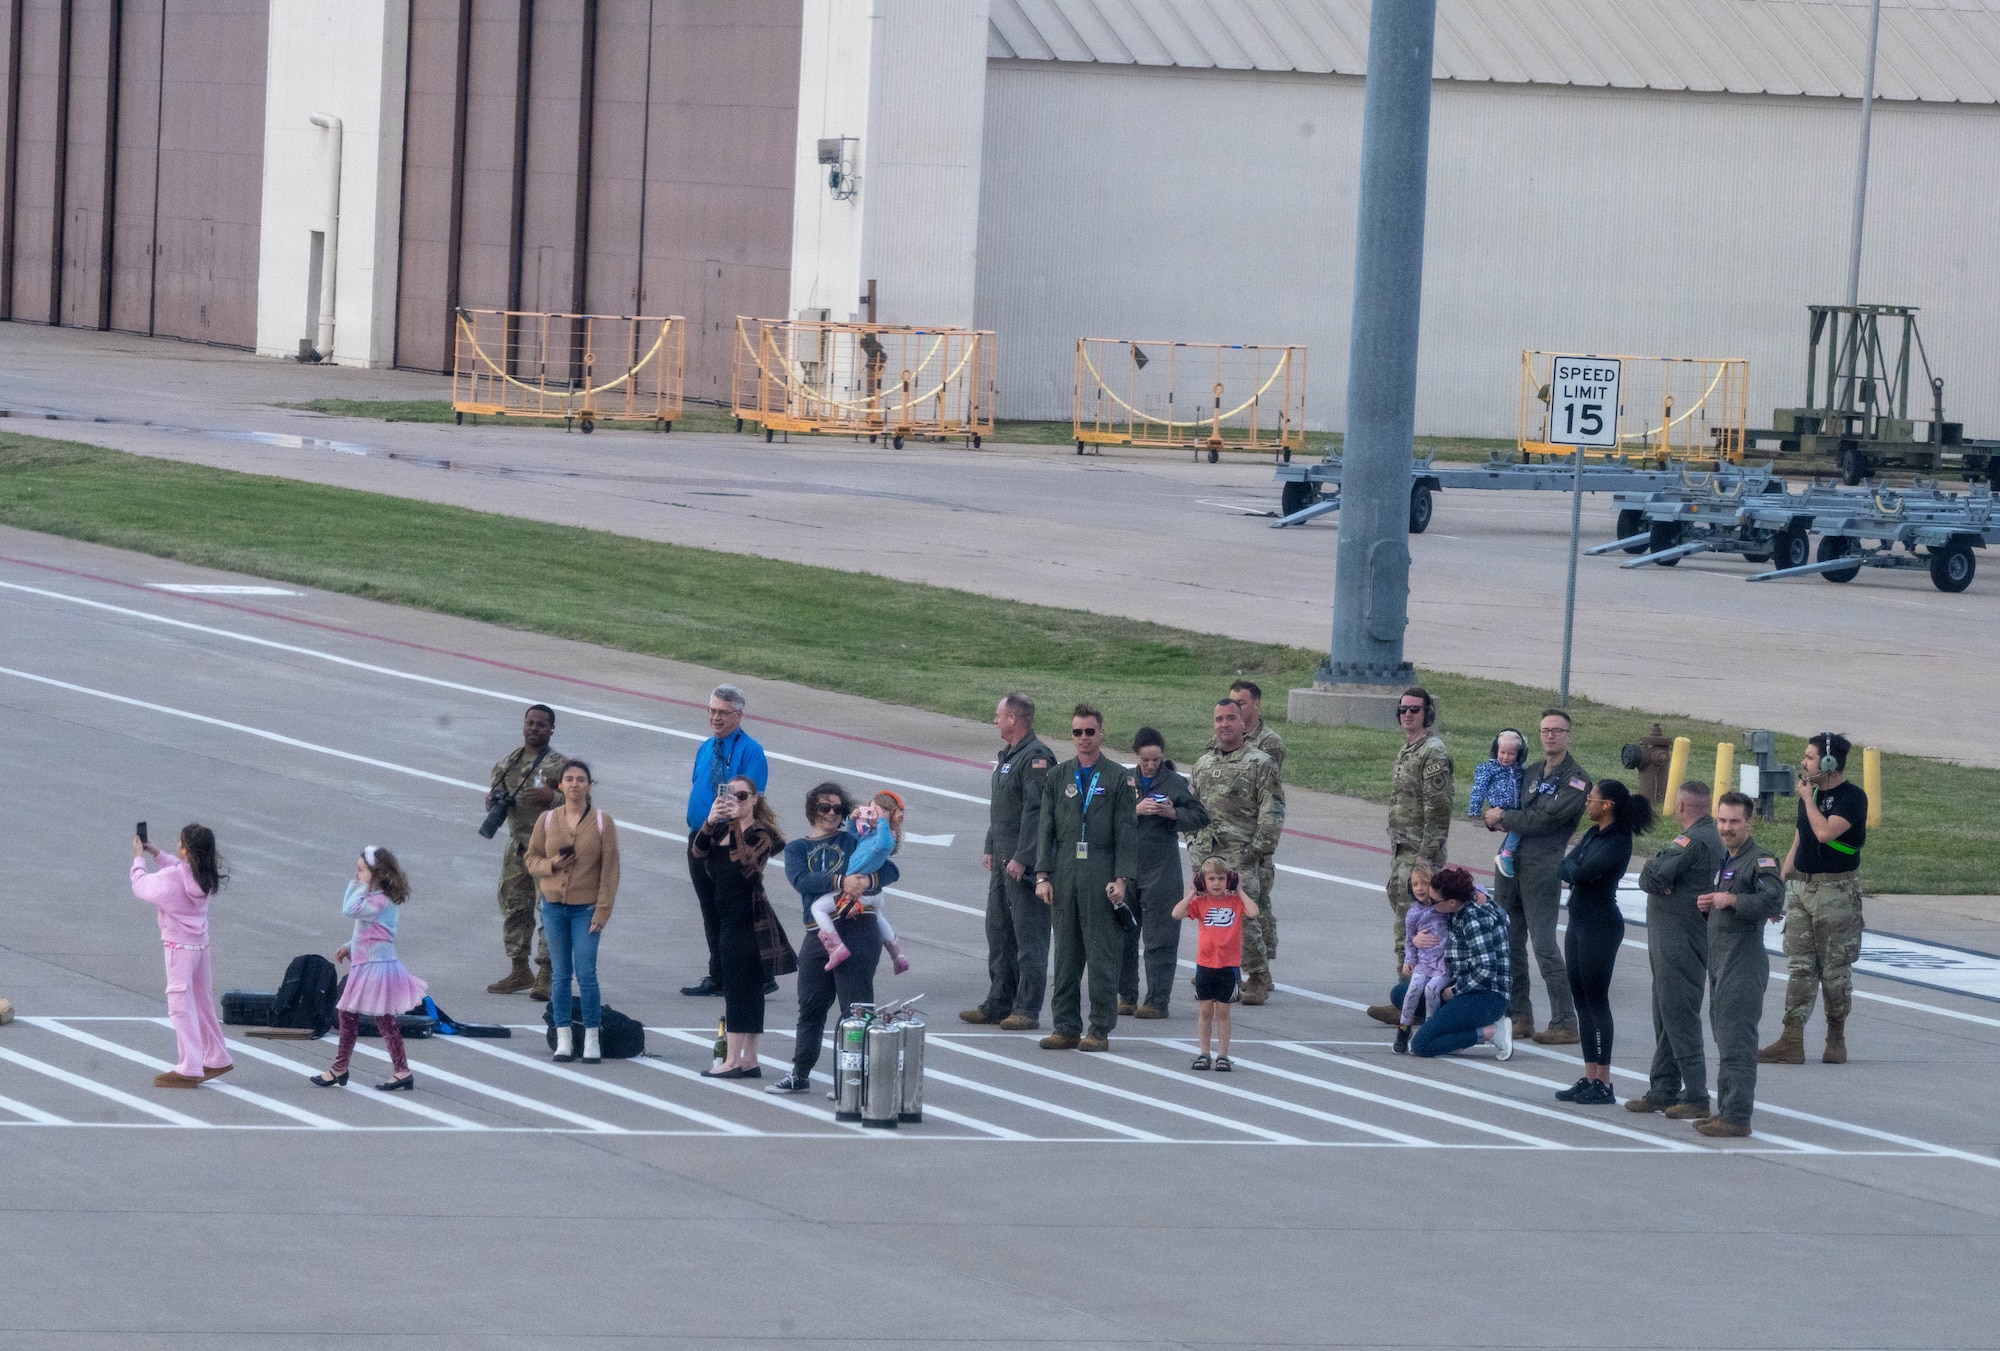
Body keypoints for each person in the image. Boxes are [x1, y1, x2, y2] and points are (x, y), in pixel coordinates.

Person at [769, 782, 900, 1095]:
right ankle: (799, 1074)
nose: (831, 813)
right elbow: (802, 881)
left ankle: (855, 1080)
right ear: (811, 809)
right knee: (810, 1007)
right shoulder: (798, 848)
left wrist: (868, 879)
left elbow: (891, 869)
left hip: (858, 927)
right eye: (824, 807)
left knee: (855, 1011)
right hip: (819, 933)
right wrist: (842, 881)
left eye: (837, 808)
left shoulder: (853, 838)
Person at [1035, 704, 1139, 1051]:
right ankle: (1064, 1025)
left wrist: (1121, 878)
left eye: (1089, 732)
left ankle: (1099, 1028)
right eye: (1077, 732)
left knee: (1101, 956)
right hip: (1065, 870)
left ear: (1101, 733)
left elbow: (1127, 831)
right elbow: (1045, 829)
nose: (1083, 738)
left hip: (1101, 867)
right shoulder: (1058, 776)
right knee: (1065, 955)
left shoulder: (1117, 778)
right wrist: (1042, 875)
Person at [1762, 733, 1868, 1066]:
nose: (1803, 762)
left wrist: (1809, 800)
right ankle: (1791, 1039)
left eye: (1809, 758)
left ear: (1828, 763)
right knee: (1799, 967)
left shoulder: (1853, 798)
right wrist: (1780, 885)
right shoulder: (1811, 794)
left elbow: (1824, 833)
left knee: (1834, 972)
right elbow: (1801, 839)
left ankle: (1835, 1037)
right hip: (1801, 890)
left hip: (1835, 892)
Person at [1484, 708, 1590, 1045]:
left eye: (1557, 730)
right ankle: (1520, 1015)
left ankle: (1565, 1020)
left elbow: (1547, 820)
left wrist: (1507, 817)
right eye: (1545, 730)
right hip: (1510, 863)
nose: (1550, 736)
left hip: (1542, 867)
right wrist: (1494, 816)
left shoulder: (1577, 780)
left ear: (1568, 735)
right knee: (1508, 942)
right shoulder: (1529, 771)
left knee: (1543, 944)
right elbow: (1510, 805)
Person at [1554, 779, 1654, 1105]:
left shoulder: (1617, 841)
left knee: (1596, 1001)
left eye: (1592, 798)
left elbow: (1579, 872)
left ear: (1607, 805)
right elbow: (1565, 866)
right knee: (1581, 1000)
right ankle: (1589, 1075)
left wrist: (1575, 868)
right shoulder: (1595, 834)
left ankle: (1604, 1082)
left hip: (1601, 925)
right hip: (1579, 920)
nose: (1587, 803)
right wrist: (1574, 867)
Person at [1694, 791, 1788, 1137]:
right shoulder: (1729, 859)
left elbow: (1774, 898)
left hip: (1743, 958)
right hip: (1721, 958)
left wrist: (1732, 899)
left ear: (1749, 822)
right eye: (1722, 820)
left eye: (1734, 821)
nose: (1727, 828)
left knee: (1737, 1038)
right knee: (1723, 1034)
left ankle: (1736, 1116)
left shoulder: (1759, 859)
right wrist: (1711, 905)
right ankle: (1725, 1110)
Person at [1626, 782, 1721, 1119]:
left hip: (1678, 938)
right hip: (1685, 936)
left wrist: (1654, 870)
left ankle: (1695, 1093)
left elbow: (1652, 875)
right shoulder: (1713, 837)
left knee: (1678, 1015)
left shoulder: (1693, 840)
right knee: (1667, 1012)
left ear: (1681, 806)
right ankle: (1663, 1088)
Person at [965, 693, 1056, 1030]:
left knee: (1028, 936)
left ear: (1014, 719)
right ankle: (999, 1000)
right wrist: (991, 845)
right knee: (999, 931)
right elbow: (1001, 808)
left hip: (1024, 865)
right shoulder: (1009, 756)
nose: (995, 720)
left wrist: (1023, 856)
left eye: (999, 715)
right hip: (1003, 859)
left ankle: (1027, 1008)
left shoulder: (1036, 758)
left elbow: (1038, 813)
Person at [1187, 699, 1285, 1004]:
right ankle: (1217, 970)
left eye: (1231, 718)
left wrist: (1257, 850)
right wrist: (1193, 845)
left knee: (1243, 917)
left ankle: (1256, 975)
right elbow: (1191, 808)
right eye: (1219, 719)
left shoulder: (1260, 763)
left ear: (1243, 724)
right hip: (1208, 856)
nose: (1224, 724)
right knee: (1213, 917)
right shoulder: (1203, 764)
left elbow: (1272, 810)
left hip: (1242, 854)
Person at [524, 762, 622, 1064]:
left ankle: (592, 1036)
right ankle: (563, 1036)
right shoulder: (547, 819)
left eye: (581, 780)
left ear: (589, 786)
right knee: (560, 974)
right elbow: (531, 858)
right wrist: (551, 864)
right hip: (554, 907)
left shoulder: (603, 822)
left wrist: (603, 910)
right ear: (560, 786)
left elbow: (610, 870)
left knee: (587, 972)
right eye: (569, 779)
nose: (575, 784)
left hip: (586, 908)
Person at [1368, 688, 1454, 1024]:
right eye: (1402, 709)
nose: (1407, 715)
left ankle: (1410, 1000)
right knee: (1408, 925)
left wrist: (1424, 859)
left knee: (1416, 928)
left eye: (1414, 710)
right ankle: (1410, 997)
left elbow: (1439, 811)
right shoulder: (1410, 749)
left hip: (1419, 855)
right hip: (1404, 850)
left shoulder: (1432, 753)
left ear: (1427, 714)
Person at [312, 846, 428, 1091]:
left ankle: (397, 1070)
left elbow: (349, 910)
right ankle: (343, 1068)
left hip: (376, 967)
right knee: (353, 1015)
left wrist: (358, 886)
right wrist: (349, 946)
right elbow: (369, 933)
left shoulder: (378, 900)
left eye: (361, 870)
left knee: (379, 1018)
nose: (356, 875)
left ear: (377, 874)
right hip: (368, 964)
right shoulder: (378, 900)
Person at [690, 774, 783, 1076]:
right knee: (747, 988)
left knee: (740, 988)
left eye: (742, 796)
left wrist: (732, 825)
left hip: (748, 917)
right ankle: (749, 1061)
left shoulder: (762, 833)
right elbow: (698, 851)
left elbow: (744, 863)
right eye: (731, 795)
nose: (736, 801)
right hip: (726, 914)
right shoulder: (719, 829)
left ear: (755, 799)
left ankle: (734, 1060)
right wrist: (710, 819)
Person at [682, 684, 771, 998]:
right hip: (702, 835)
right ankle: (719, 974)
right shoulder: (706, 747)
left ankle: (754, 973)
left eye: (722, 712)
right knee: (711, 909)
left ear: (738, 715)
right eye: (712, 711)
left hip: (729, 839)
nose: (715, 717)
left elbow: (751, 799)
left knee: (732, 910)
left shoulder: (750, 751)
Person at [130, 824, 232, 1088]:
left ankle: (189, 1066)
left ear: (185, 850)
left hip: (178, 948)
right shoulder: (204, 876)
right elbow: (181, 869)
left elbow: (142, 886)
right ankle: (218, 1055)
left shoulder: (173, 879)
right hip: (200, 946)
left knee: (180, 1006)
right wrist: (158, 854)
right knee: (202, 1002)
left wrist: (138, 859)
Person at [1124, 727, 1209, 1018]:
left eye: (1156, 760)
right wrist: (1135, 809)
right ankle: (1126, 995)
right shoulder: (1123, 781)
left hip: (1161, 868)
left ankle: (1157, 1000)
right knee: (1123, 932)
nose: (1150, 765)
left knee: (1161, 936)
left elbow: (1200, 816)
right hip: (1127, 866)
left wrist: (1173, 814)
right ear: (1136, 756)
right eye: (1145, 760)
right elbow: (1101, 813)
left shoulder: (1174, 783)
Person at [486, 704, 567, 1000]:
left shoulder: (561, 766)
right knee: (514, 907)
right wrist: (492, 802)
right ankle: (519, 968)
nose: (534, 728)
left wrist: (553, 796)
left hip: (549, 850)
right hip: (518, 847)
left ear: (551, 729)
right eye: (530, 723)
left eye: (541, 724)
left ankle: (547, 973)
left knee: (550, 911)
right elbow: (496, 796)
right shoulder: (507, 763)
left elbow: (581, 805)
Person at [1397, 865, 1513, 1060]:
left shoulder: (1474, 919)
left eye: (1433, 901)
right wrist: (1416, 941)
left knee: (1421, 1045)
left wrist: (1455, 990)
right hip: (1463, 982)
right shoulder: (1454, 908)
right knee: (1401, 994)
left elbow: (1487, 968)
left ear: (1451, 902)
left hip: (1485, 994)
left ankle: (1491, 1031)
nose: (1429, 904)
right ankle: (1451, 1027)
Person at [1174, 857, 1257, 1071]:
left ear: (1228, 880)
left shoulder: (1235, 902)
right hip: (1205, 964)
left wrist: (1238, 889)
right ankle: (1204, 1052)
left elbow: (1254, 911)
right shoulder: (1200, 904)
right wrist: (1193, 891)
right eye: (1211, 879)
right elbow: (1176, 914)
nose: (1217, 883)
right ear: (1203, 881)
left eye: (1221, 878)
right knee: (1205, 1011)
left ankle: (1223, 1054)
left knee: (1223, 1012)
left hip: (1228, 966)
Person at [811, 791, 909, 974]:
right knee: (879, 917)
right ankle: (897, 955)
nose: (871, 813)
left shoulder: (887, 837)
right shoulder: (871, 833)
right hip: (873, 894)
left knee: (817, 908)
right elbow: (854, 833)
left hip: (859, 890)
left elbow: (882, 845)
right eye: (870, 809)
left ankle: (835, 948)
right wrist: (852, 818)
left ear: (890, 814)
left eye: (877, 810)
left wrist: (881, 822)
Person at [1395, 863, 1448, 1054]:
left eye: (1424, 884)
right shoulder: (1413, 914)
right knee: (1413, 988)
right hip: (1424, 964)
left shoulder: (1443, 907)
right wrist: (1409, 960)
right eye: (1415, 884)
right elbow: (1409, 942)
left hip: (1443, 964)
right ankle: (1404, 1028)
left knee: (1431, 989)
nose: (1419, 888)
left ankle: (1429, 1028)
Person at [1469, 729, 1527, 878]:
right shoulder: (1489, 769)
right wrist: (1474, 810)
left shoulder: (1519, 771)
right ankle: (1506, 854)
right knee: (1517, 826)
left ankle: (1507, 853)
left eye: (1511, 754)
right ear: (1496, 751)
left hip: (1515, 809)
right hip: (1499, 808)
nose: (1506, 757)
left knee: (1519, 826)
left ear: (1520, 755)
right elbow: (1478, 789)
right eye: (1502, 752)